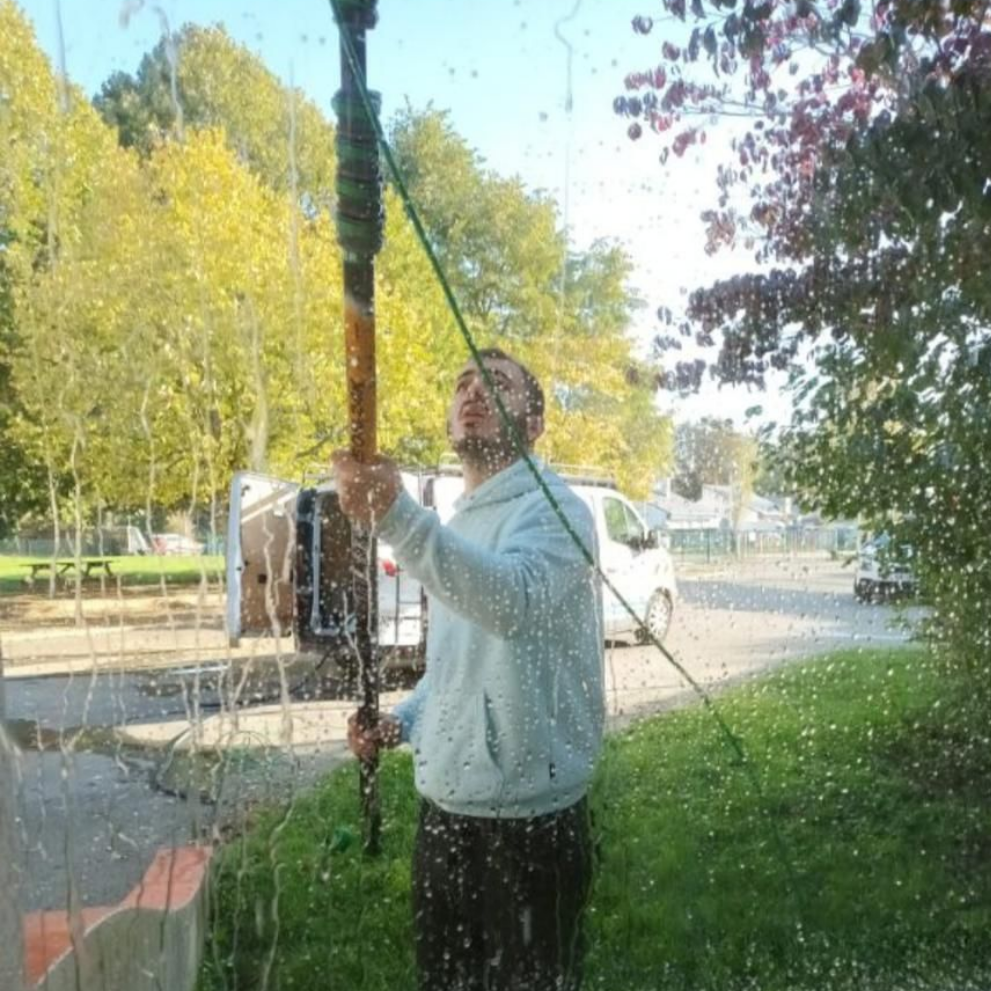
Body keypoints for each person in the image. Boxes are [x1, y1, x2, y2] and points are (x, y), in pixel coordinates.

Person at [333, 347, 604, 991]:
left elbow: (511, 602)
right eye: (462, 385)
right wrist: (403, 721)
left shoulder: (556, 510)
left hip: (532, 826)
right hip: (444, 816)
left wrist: (395, 517)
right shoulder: (458, 524)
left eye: (497, 384)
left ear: (534, 424)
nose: (473, 393)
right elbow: (460, 668)